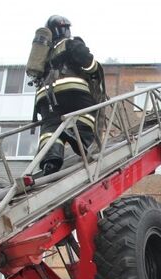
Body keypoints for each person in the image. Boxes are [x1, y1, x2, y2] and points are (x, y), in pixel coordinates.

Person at [33, 15, 106, 176]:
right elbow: (87, 60)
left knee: (50, 128)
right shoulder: (69, 43)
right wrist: (94, 70)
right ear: (64, 29)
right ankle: (78, 135)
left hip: (45, 97)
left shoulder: (43, 55)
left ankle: (51, 161)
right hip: (71, 89)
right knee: (89, 112)